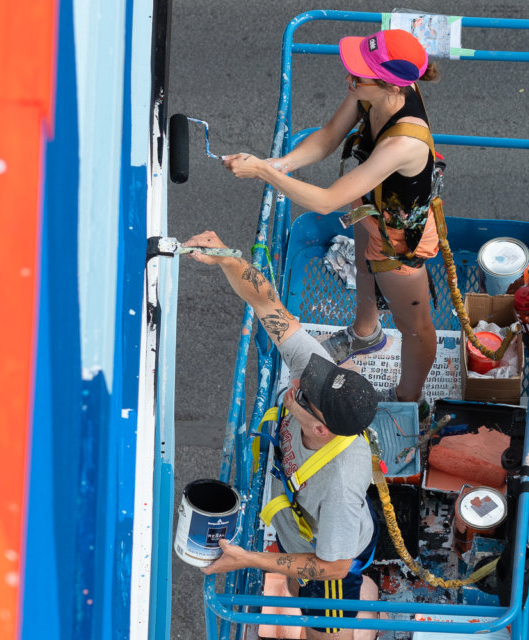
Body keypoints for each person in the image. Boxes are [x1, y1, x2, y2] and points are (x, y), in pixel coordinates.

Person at [222, 29, 440, 415]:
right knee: (363, 270)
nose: (349, 80)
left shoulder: (404, 142)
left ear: (391, 84)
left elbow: (324, 202)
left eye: (359, 75)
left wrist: (263, 173)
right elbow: (327, 137)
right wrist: (277, 164)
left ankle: (411, 401)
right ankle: (365, 333)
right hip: (369, 207)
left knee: (416, 327)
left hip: (398, 238)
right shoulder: (371, 91)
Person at [184, 230, 381, 640]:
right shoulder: (318, 374)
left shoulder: (341, 485)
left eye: (304, 394)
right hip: (301, 532)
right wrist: (229, 259)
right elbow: (267, 305)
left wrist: (249, 559)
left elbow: (333, 567)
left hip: (332, 557)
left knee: (323, 632)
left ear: (320, 428)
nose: (296, 382)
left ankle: (358, 610)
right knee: (295, 588)